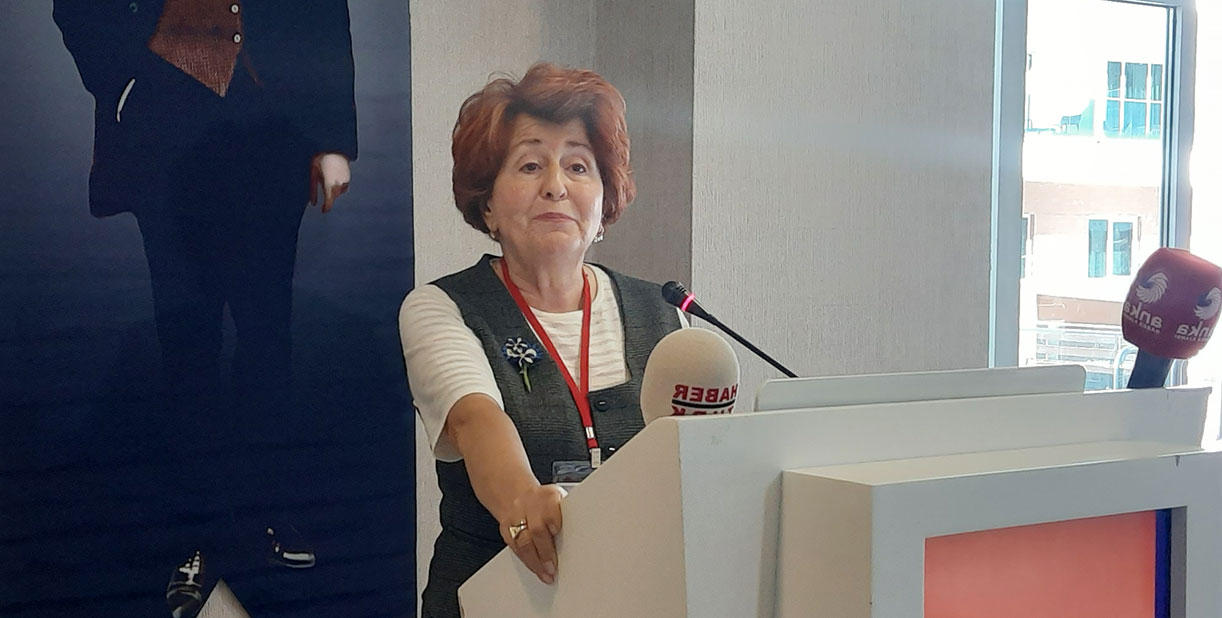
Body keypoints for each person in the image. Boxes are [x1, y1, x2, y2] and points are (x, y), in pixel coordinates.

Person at [52, 1, 357, 613]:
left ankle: (266, 513)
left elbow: (324, 10)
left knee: (267, 338)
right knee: (187, 346)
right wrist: (127, 72)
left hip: (270, 123)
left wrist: (331, 138)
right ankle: (194, 534)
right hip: (167, 123)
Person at [399, 63, 684, 617]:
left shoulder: (665, 313)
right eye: (531, 165)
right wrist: (525, 502)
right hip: (490, 600)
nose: (556, 184)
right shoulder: (441, 307)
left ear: (604, 202)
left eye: (578, 166)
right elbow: (474, 419)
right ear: (487, 204)